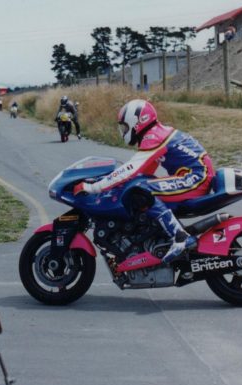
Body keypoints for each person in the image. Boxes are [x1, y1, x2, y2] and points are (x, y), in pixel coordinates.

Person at [73, 99, 214, 263]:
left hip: (196, 178)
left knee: (142, 191)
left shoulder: (154, 136)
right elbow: (144, 171)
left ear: (137, 122)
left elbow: (131, 169)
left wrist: (94, 187)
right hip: (195, 176)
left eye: (125, 126)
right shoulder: (157, 133)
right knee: (139, 185)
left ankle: (180, 237)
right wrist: (115, 184)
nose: (123, 131)